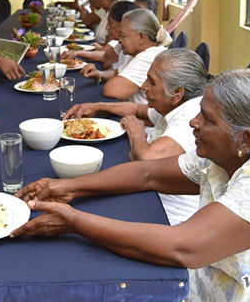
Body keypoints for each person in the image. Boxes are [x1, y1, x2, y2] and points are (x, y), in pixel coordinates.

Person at [12, 69, 250, 302]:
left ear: (246, 138)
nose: (194, 123)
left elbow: (184, 248)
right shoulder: (230, 154)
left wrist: (74, 221)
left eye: (208, 120)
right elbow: (148, 175)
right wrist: (69, 187)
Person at [65, 49, 207, 225]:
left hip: (167, 213)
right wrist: (97, 106)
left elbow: (146, 159)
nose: (143, 86)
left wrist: (137, 133)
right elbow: (138, 111)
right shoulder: (175, 105)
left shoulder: (190, 116)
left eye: (152, 82)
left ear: (177, 94)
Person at [82, 9, 172, 104]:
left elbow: (112, 90)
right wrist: (99, 74)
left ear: (141, 37)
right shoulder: (137, 53)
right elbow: (116, 73)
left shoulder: (149, 57)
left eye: (123, 36)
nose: (119, 40)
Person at [62, 0, 137, 69]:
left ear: (123, 23)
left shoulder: (134, 50)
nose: (107, 27)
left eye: (110, 22)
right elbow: (105, 57)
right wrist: (77, 52)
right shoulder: (121, 43)